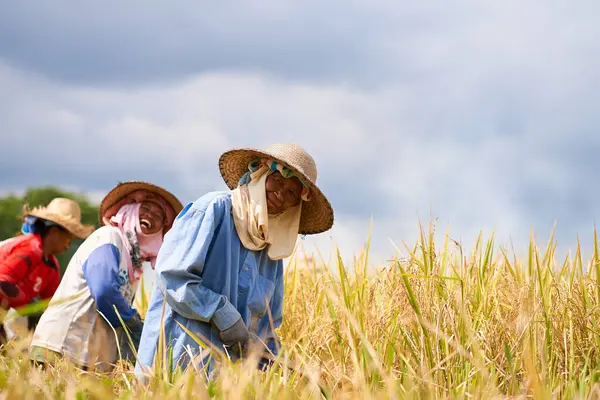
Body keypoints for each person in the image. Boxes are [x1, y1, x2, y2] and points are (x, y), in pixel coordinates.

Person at [135, 143, 334, 379]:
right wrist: (222, 313)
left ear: (296, 204)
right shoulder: (213, 210)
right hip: (170, 364)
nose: (281, 193)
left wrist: (283, 367)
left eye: (292, 192)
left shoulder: (271, 252)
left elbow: (265, 328)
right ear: (259, 174)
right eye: (277, 180)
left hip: (221, 381)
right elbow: (172, 278)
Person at [28, 181, 183, 372]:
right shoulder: (109, 238)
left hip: (88, 361)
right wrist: (132, 323)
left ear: (162, 228)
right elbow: (104, 292)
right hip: (61, 351)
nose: (151, 215)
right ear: (130, 210)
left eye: (159, 215)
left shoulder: (133, 266)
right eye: (146, 208)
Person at [0, 198, 95, 343]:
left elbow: (53, 307)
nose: (69, 243)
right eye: (68, 236)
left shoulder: (51, 266)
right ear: (53, 231)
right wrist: (29, 305)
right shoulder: (31, 248)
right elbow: (3, 283)